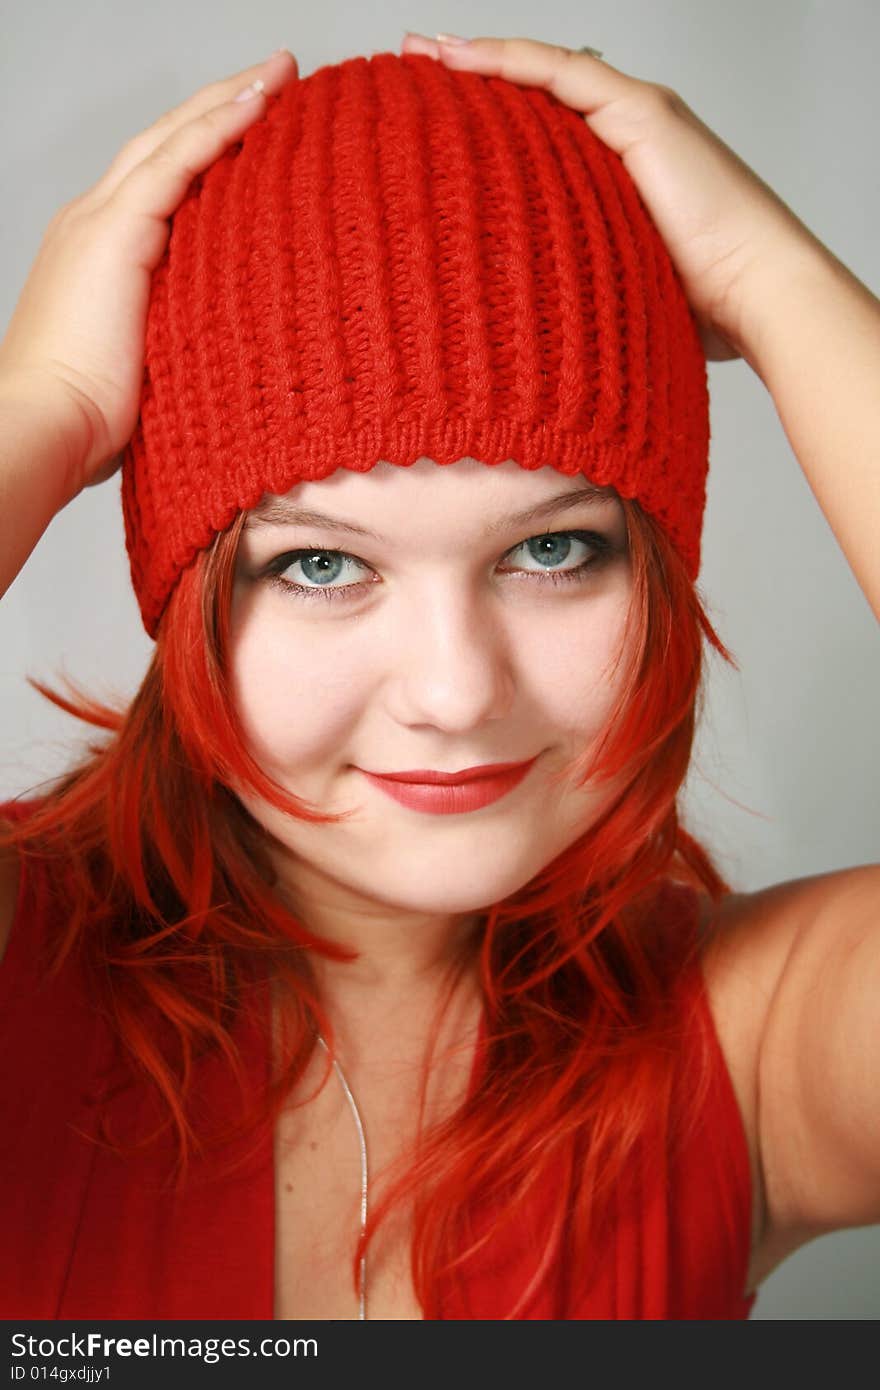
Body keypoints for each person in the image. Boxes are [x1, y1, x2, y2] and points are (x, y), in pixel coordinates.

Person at [0, 33, 877, 1322]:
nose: (457, 693)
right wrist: (47, 400)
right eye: (317, 566)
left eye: (554, 548)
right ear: (189, 599)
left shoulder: (746, 1048)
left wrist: (778, 281)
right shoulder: (26, 967)